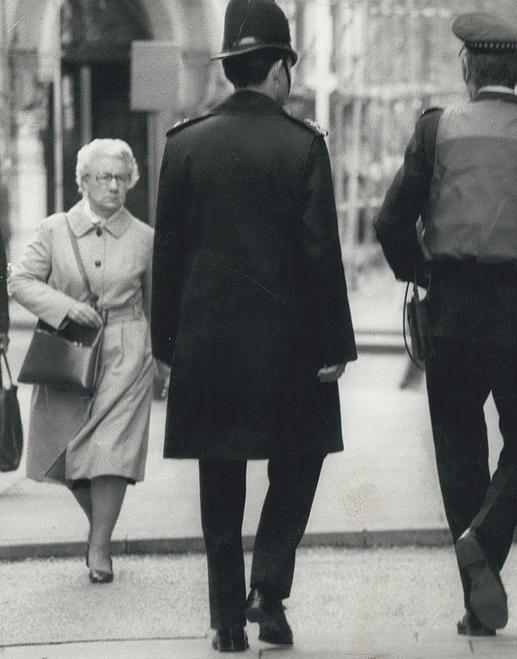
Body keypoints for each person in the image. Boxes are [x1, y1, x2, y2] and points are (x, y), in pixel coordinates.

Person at [375, 12, 517, 637]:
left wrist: (422, 274)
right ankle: (484, 558)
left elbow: (390, 223)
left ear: (468, 68)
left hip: (451, 312)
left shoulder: (435, 130)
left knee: (458, 452)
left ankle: (478, 592)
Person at [151, 0, 356, 652]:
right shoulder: (302, 146)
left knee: (219, 475)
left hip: (207, 346)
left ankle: (227, 621)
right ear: (278, 73)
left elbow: (169, 256)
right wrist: (335, 345)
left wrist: (165, 346)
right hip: (290, 349)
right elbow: (322, 252)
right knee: (301, 458)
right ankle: (268, 586)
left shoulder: (183, 145)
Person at [8, 138, 156, 584]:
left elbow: (160, 301)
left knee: (111, 452)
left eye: (121, 178)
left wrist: (166, 358)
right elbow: (20, 282)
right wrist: (65, 306)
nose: (113, 186)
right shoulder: (54, 229)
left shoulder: (146, 238)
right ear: (84, 181)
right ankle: (100, 532)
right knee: (66, 454)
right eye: (103, 177)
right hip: (68, 348)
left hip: (127, 350)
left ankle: (100, 547)